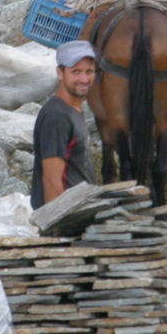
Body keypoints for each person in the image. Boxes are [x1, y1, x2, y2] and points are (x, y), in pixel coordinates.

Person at [30, 39, 98, 209]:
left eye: (89, 71)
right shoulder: (56, 116)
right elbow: (52, 181)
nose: (84, 79)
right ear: (60, 73)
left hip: (80, 214)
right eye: (76, 72)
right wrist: (58, 230)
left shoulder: (74, 110)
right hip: (66, 221)